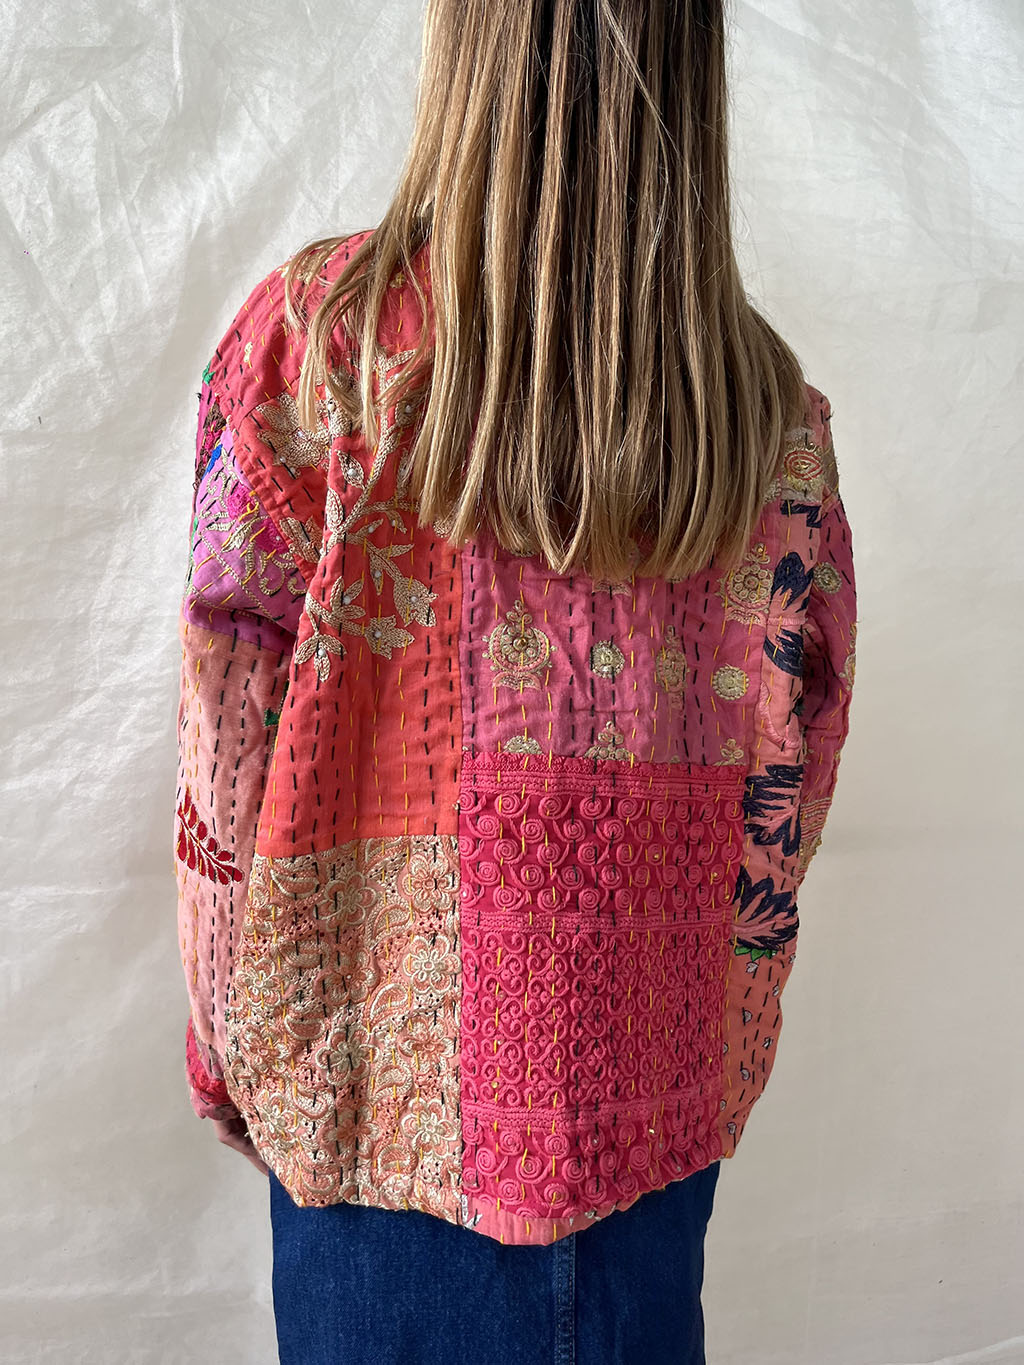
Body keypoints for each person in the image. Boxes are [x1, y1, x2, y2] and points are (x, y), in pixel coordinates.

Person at [173, 1, 858, 1360]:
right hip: (648, 1138)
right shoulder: (758, 404)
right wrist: (722, 1048)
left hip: (366, 1128)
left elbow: (226, 735)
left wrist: (225, 1051)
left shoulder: (319, 343)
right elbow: (794, 774)